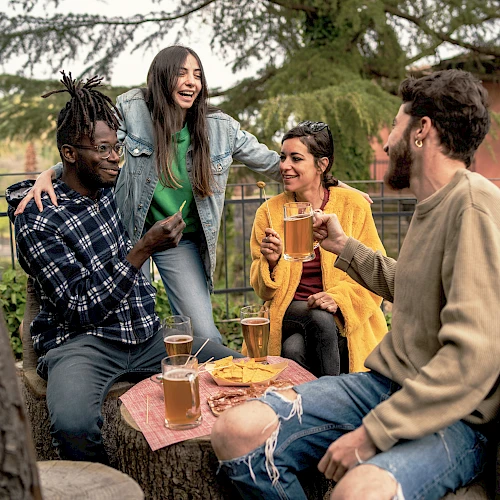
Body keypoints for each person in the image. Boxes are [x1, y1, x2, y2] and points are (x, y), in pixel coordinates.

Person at [211, 69, 500, 499]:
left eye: (397, 126)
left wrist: (371, 435)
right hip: (385, 385)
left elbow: (472, 357)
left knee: (357, 491)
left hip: (452, 415)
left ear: (422, 131)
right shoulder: (429, 206)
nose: (387, 142)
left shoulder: (473, 206)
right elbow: (411, 285)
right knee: (237, 431)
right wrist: (344, 246)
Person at [16, 45, 372, 345]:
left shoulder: (220, 129)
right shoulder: (133, 111)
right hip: (128, 235)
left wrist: (332, 182)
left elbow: (275, 163)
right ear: (161, 76)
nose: (191, 82)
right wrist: (50, 171)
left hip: (179, 241)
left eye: (198, 75)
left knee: (205, 336)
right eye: (182, 73)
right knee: (124, 329)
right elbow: (93, 149)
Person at [6, 72, 241, 464]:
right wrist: (143, 249)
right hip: (80, 346)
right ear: (70, 153)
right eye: (103, 149)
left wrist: (48, 171)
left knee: (234, 368)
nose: (116, 157)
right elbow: (80, 308)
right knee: (73, 423)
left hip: (146, 336)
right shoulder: (39, 219)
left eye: (117, 147)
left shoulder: (108, 183)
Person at [250, 121, 387, 377]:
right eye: (282, 157)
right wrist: (270, 263)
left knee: (294, 349)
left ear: (321, 165)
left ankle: (306, 411)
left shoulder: (353, 206)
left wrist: (338, 298)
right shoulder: (268, 211)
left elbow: (374, 274)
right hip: (290, 309)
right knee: (318, 317)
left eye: (296, 158)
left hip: (343, 315)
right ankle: (332, 407)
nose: (284, 166)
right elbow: (262, 289)